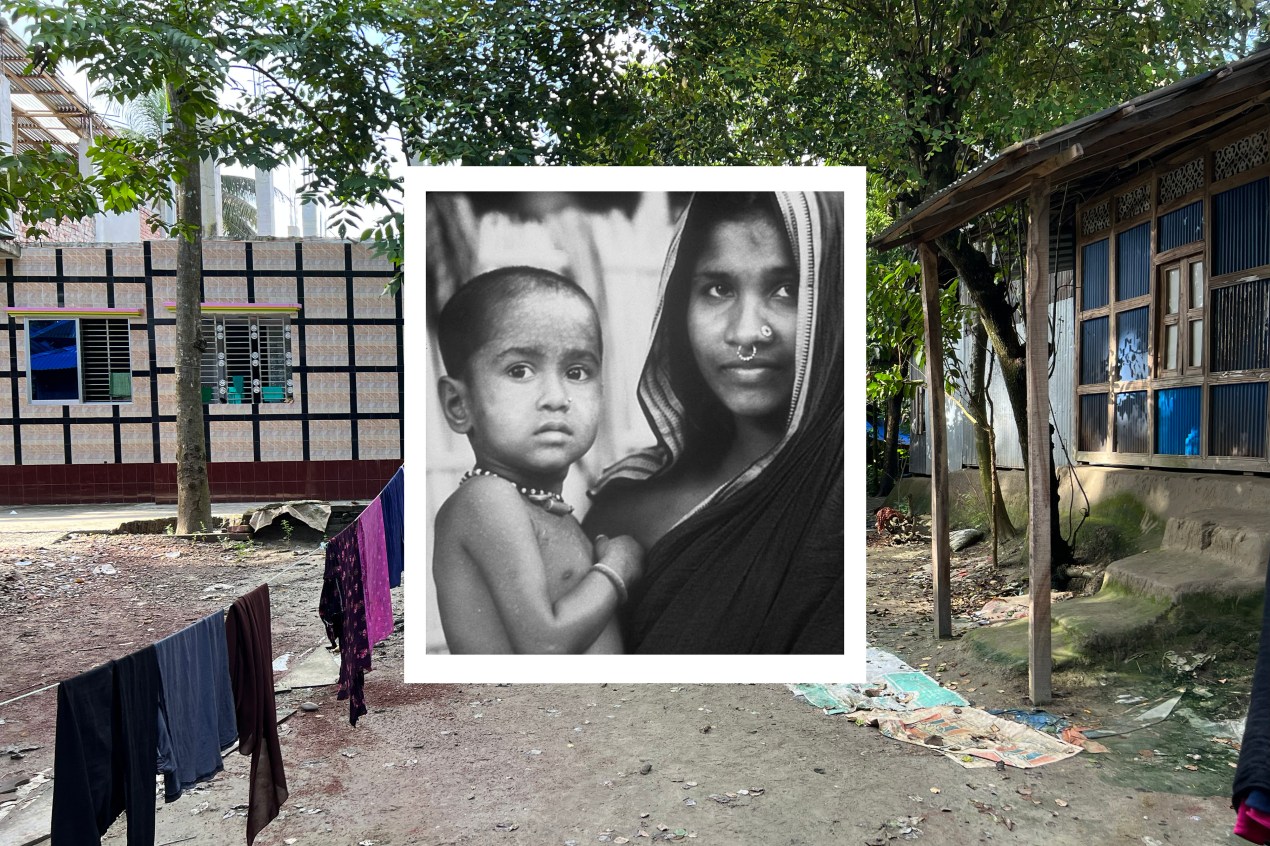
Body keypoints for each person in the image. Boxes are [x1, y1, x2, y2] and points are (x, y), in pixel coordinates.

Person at [584, 192, 844, 654]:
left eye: (786, 289)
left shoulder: (836, 489)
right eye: (718, 289)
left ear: (829, 304)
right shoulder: (624, 508)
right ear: (679, 308)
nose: (747, 333)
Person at [431, 266, 642, 654]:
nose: (556, 396)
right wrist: (619, 567)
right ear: (459, 404)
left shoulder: (548, 509)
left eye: (577, 372)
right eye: (520, 370)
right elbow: (546, 644)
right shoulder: (487, 499)